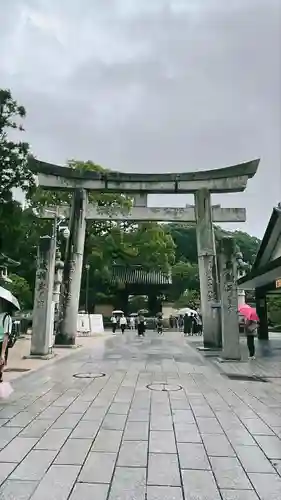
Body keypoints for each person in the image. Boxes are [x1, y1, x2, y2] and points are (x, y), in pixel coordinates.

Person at [0, 306, 13, 383]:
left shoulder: (6, 317)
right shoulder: (6, 317)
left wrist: (2, 353)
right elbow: (5, 336)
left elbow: (6, 336)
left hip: (1, 344)